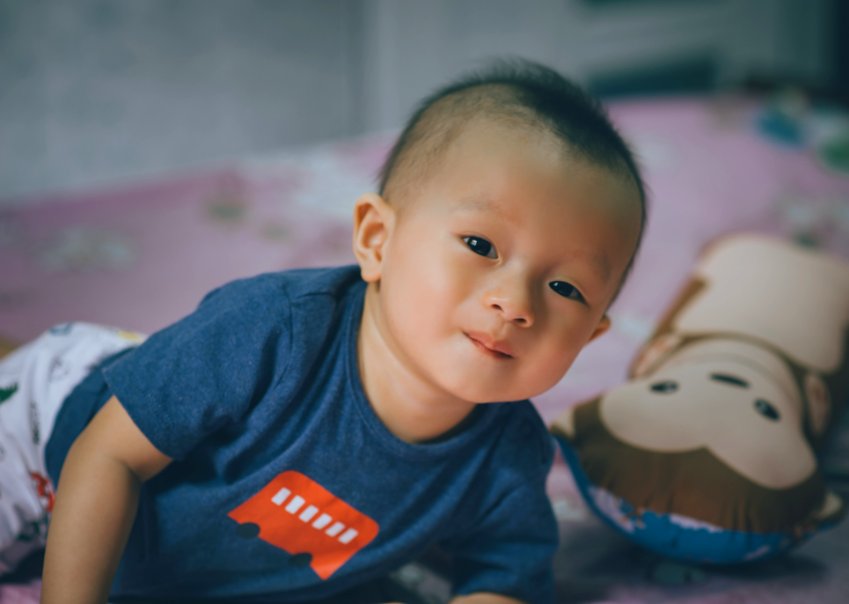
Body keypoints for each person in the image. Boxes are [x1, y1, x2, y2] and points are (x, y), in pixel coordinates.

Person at [1, 59, 647, 603]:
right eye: (480, 243)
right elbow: (107, 454)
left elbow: (503, 579)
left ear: (590, 337)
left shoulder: (507, 456)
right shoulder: (273, 333)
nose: (515, 303)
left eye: (566, 288)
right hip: (55, 435)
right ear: (377, 242)